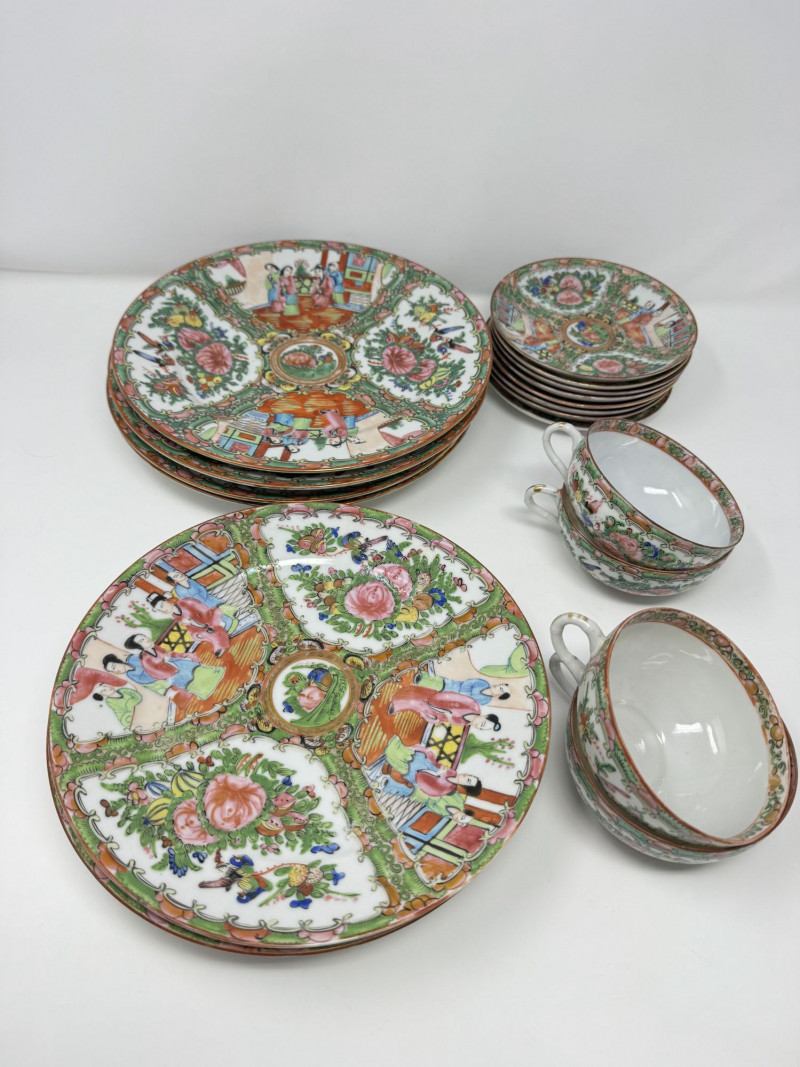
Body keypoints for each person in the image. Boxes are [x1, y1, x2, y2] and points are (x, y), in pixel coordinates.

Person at [122, 634, 224, 700]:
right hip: (171, 674)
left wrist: (183, 655)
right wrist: (172, 670)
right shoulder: (145, 660)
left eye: (145, 637)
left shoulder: (155, 647)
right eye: (142, 640)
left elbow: (168, 653)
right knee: (188, 676)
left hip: (175, 664)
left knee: (191, 666)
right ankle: (206, 688)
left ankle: (213, 676)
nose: (147, 639)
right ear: (140, 647)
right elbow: (155, 674)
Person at [146, 590, 233, 657]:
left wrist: (193, 622)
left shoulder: (185, 602)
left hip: (210, 616)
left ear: (166, 600)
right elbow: (190, 628)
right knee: (198, 634)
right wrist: (194, 632)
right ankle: (216, 642)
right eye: (160, 609)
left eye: (162, 605)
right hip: (202, 627)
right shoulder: (175, 615)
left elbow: (204, 611)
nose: (164, 609)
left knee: (206, 631)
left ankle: (221, 645)